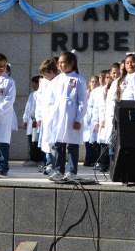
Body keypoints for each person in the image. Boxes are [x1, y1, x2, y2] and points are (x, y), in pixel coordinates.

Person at [47, 51, 88, 181]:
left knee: (72, 145)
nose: (62, 65)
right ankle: (58, 170)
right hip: (58, 118)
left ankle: (71, 171)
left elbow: (82, 101)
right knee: (59, 145)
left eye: (64, 62)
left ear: (72, 63)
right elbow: (51, 100)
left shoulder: (79, 79)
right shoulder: (56, 80)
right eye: (60, 63)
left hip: (71, 118)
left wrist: (78, 118)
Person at [23, 75, 42, 166]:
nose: (32, 85)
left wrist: (37, 118)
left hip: (38, 121)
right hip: (31, 121)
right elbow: (28, 108)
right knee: (31, 139)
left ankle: (37, 159)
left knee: (38, 140)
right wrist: (25, 119)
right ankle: (32, 157)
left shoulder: (43, 94)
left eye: (34, 83)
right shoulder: (32, 94)